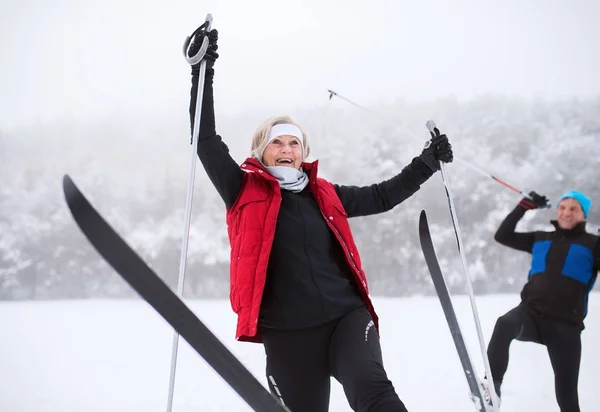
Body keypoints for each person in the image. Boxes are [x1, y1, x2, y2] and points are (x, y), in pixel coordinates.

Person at [186, 27, 453, 412]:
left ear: (303, 152)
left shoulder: (324, 193)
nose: (286, 149)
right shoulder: (243, 190)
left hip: (345, 319)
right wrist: (202, 70)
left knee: (375, 394)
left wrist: (426, 163)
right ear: (261, 151)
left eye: (294, 143)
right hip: (286, 335)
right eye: (276, 142)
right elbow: (205, 140)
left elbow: (382, 196)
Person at [482, 190, 599, 412]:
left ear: (584, 215)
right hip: (531, 314)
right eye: (563, 207)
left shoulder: (593, 245)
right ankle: (492, 388)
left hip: (566, 326)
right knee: (504, 323)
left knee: (568, 398)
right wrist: (523, 206)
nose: (566, 213)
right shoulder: (540, 238)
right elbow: (503, 235)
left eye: (574, 209)